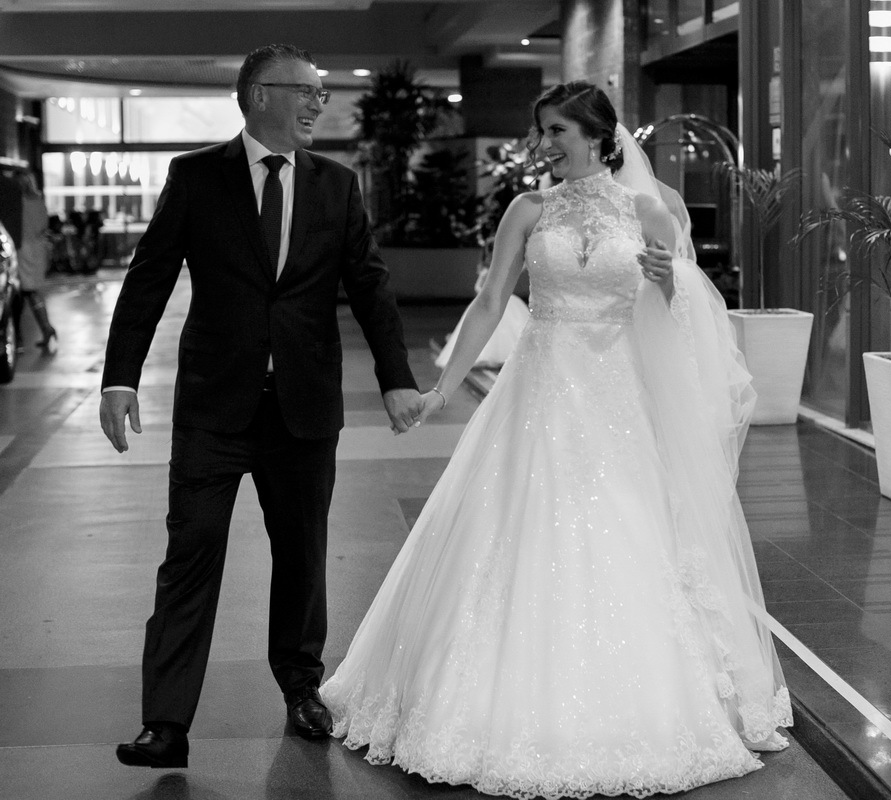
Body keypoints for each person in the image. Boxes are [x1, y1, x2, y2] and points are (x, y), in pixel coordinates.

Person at [320, 81, 791, 798]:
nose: (543, 145)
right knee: (520, 526)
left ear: (600, 136)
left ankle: (651, 704)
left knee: (629, 531)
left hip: (621, 397)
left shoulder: (651, 210)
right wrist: (442, 389)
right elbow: (489, 302)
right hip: (539, 388)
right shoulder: (527, 209)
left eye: (557, 131)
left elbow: (686, 321)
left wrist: (670, 284)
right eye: (540, 130)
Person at [99, 43, 425, 770]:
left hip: (303, 407)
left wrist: (396, 376)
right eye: (305, 90)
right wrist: (119, 378)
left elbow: (369, 285)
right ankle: (165, 723)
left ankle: (301, 688)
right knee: (190, 556)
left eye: (320, 92)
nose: (318, 103)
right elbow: (150, 278)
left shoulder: (336, 184)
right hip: (213, 406)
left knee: (303, 556)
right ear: (258, 96)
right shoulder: (196, 177)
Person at [14, 172, 58, 354]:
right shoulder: (38, 201)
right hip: (38, 249)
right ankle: (46, 329)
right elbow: (44, 226)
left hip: (23, 251)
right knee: (31, 293)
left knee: (22, 294)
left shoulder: (17, 203)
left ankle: (19, 338)